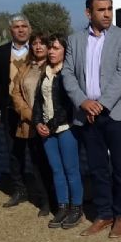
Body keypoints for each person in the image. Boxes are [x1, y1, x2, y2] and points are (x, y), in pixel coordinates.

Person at [62, 0, 121, 238]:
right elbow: (67, 74)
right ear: (88, 13)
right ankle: (104, 213)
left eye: (110, 9)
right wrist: (83, 102)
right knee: (97, 167)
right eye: (101, 10)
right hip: (86, 115)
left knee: (120, 166)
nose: (107, 14)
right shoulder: (74, 39)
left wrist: (100, 105)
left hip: (115, 113)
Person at [33, 33, 83, 229]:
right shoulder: (44, 72)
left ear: (65, 51)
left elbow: (68, 105)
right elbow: (38, 102)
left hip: (65, 128)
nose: (51, 52)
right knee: (56, 170)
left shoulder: (67, 74)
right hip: (47, 131)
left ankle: (76, 208)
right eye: (50, 48)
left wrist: (51, 125)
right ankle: (62, 206)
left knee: (71, 170)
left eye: (56, 48)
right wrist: (38, 122)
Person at [0, 15, 34, 207]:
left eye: (24, 26)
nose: (21, 30)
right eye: (16, 27)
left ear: (30, 29)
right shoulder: (0, 53)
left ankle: (43, 190)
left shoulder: (38, 49)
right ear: (10, 30)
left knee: (39, 150)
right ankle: (19, 189)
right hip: (10, 110)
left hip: (36, 109)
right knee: (14, 151)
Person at [11, 32, 54, 217]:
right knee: (38, 164)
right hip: (31, 125)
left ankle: (61, 200)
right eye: (34, 43)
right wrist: (31, 116)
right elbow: (16, 94)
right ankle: (45, 201)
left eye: (42, 43)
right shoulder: (25, 67)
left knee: (54, 164)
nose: (38, 46)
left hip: (53, 123)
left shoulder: (54, 66)